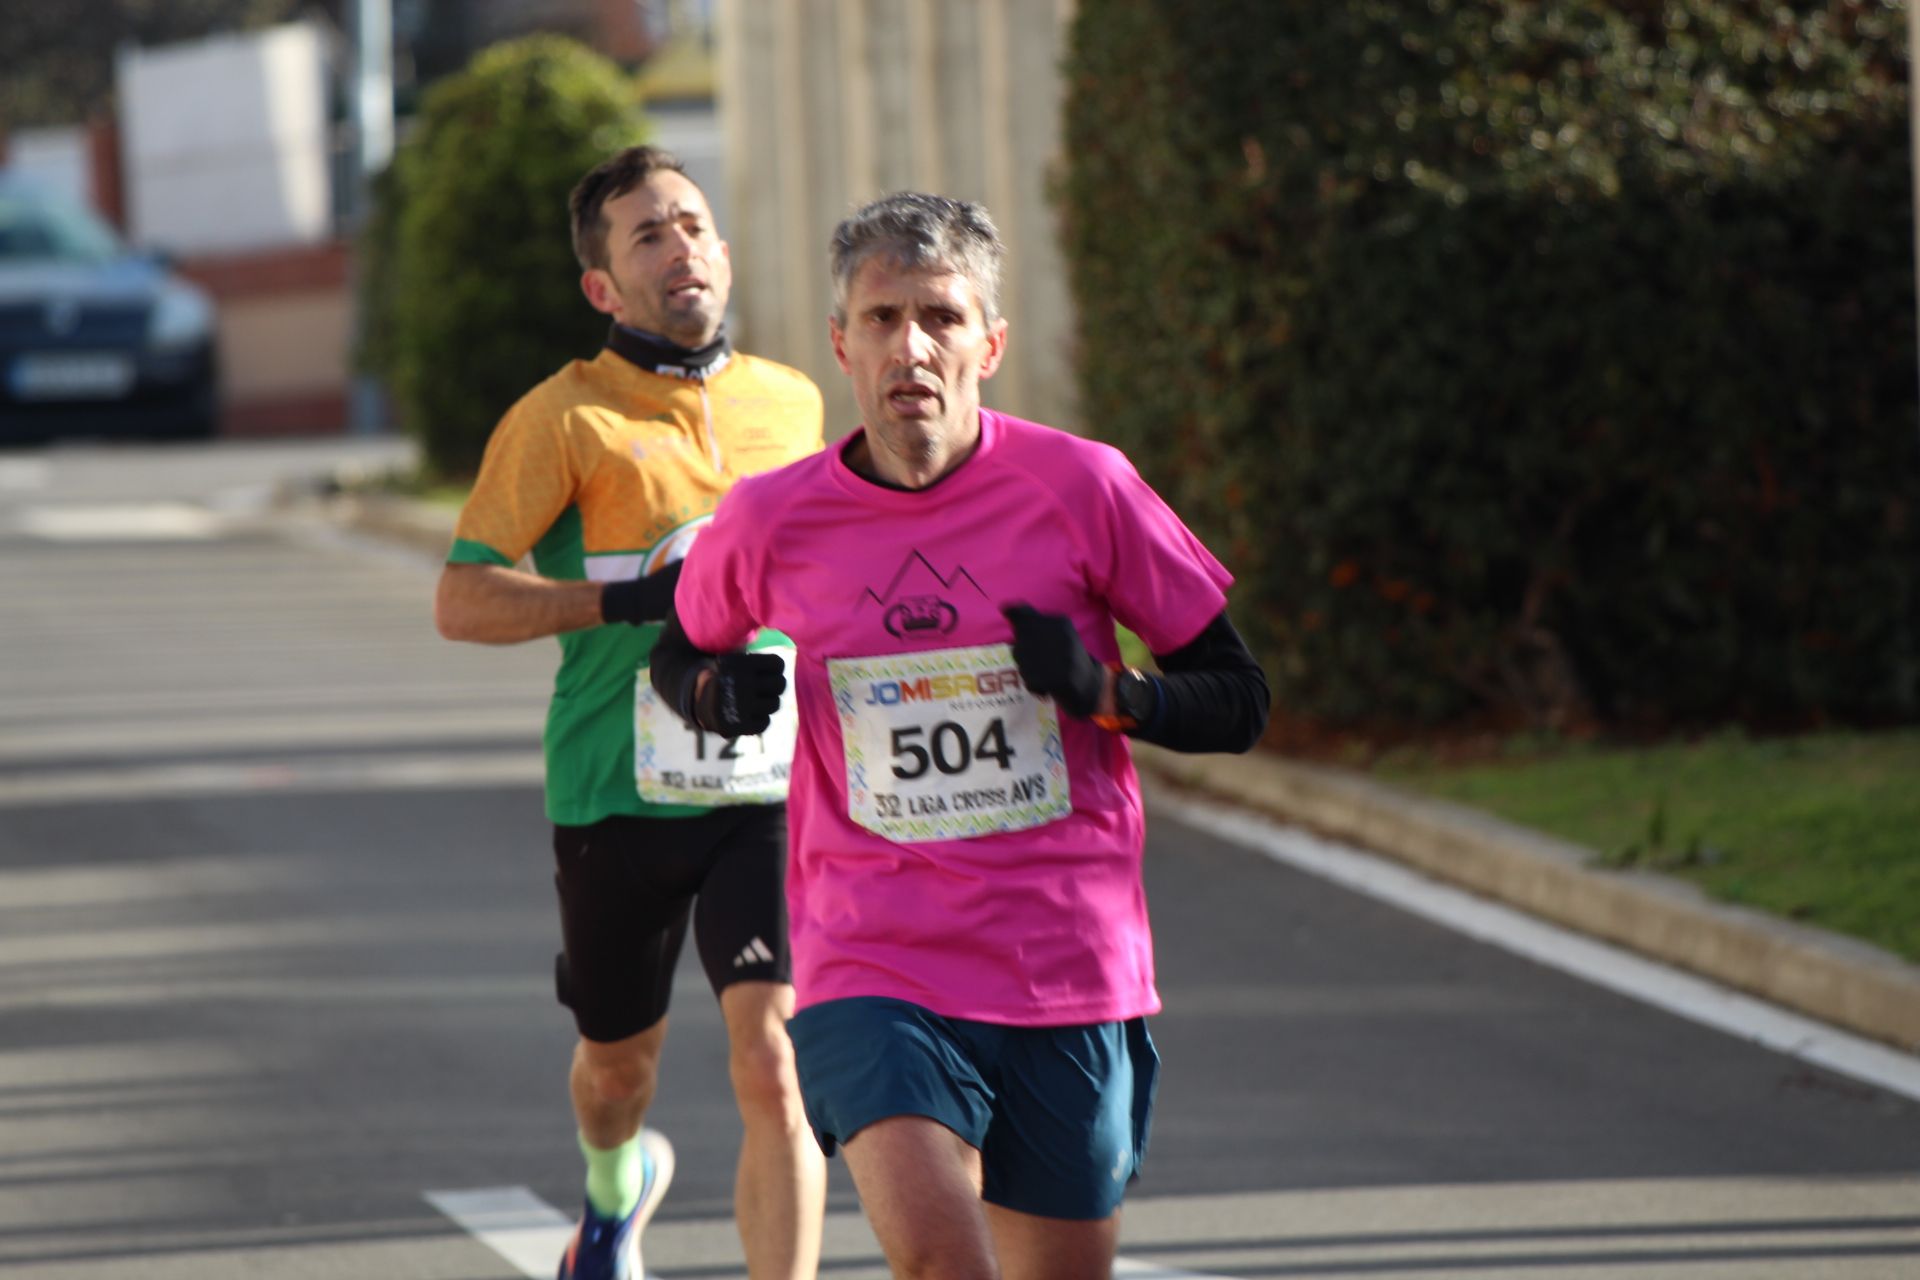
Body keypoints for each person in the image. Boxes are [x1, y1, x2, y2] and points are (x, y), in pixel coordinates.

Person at [648, 192, 1271, 1280]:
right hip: (871, 956)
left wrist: (1111, 693)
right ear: (841, 343)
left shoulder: (1083, 486)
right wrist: (715, 695)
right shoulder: (772, 517)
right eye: (882, 318)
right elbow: (678, 655)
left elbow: (1238, 692)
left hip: (1067, 959)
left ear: (991, 339)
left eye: (940, 315)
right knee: (943, 1258)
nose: (912, 346)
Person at [433, 145, 827, 1280]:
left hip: (763, 784)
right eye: (647, 235)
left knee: (773, 1061)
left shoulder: (791, 402)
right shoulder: (564, 418)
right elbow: (461, 597)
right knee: (617, 1069)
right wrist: (628, 600)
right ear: (603, 286)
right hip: (616, 785)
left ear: (727, 252)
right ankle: (616, 1191)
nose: (681, 248)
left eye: (694, 224)